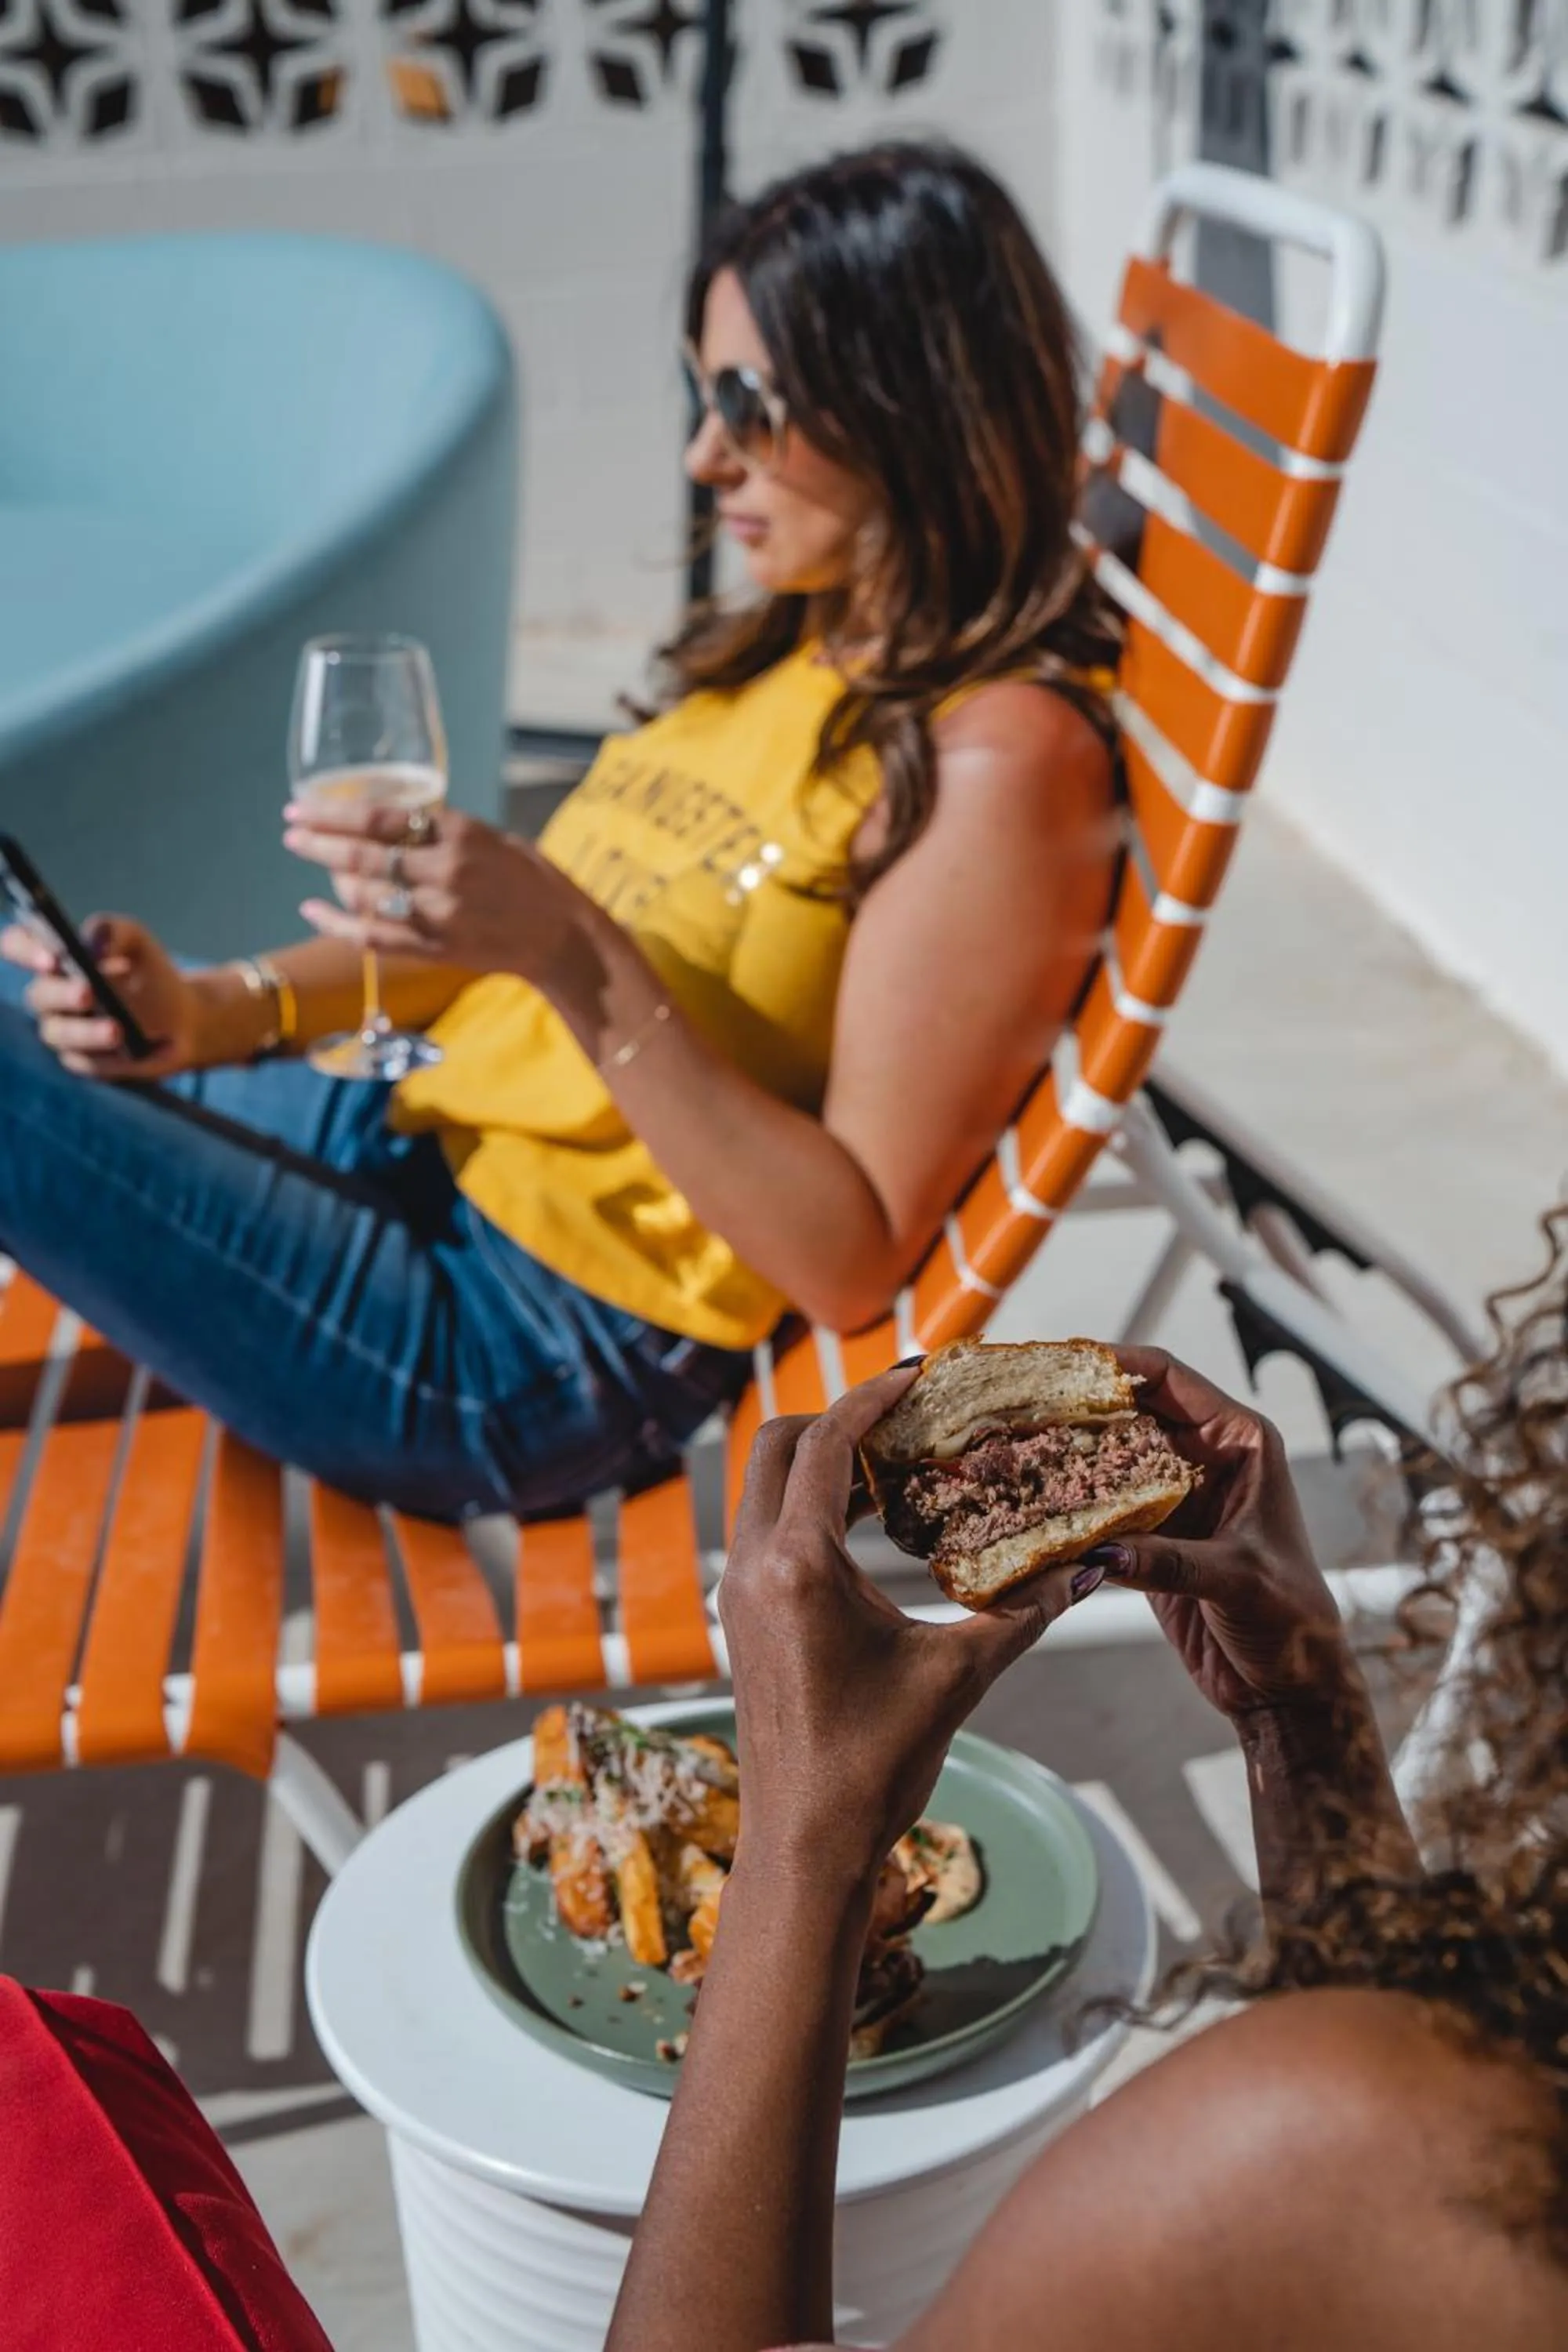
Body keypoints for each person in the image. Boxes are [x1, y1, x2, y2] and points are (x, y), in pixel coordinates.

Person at [0, 141, 1118, 1522]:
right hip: (404, 1131)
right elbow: (498, 954)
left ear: (908, 401)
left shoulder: (999, 762)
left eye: (751, 406)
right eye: (705, 397)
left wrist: (569, 948)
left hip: (517, 1339)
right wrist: (209, 1008)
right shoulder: (797, 648)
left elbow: (850, 1257)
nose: (706, 455)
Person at [608, 1238, 1568, 2349]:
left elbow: (1376, 2117)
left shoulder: (1314, 2152)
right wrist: (1297, 1717)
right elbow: (1396, 2060)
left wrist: (804, 1838)